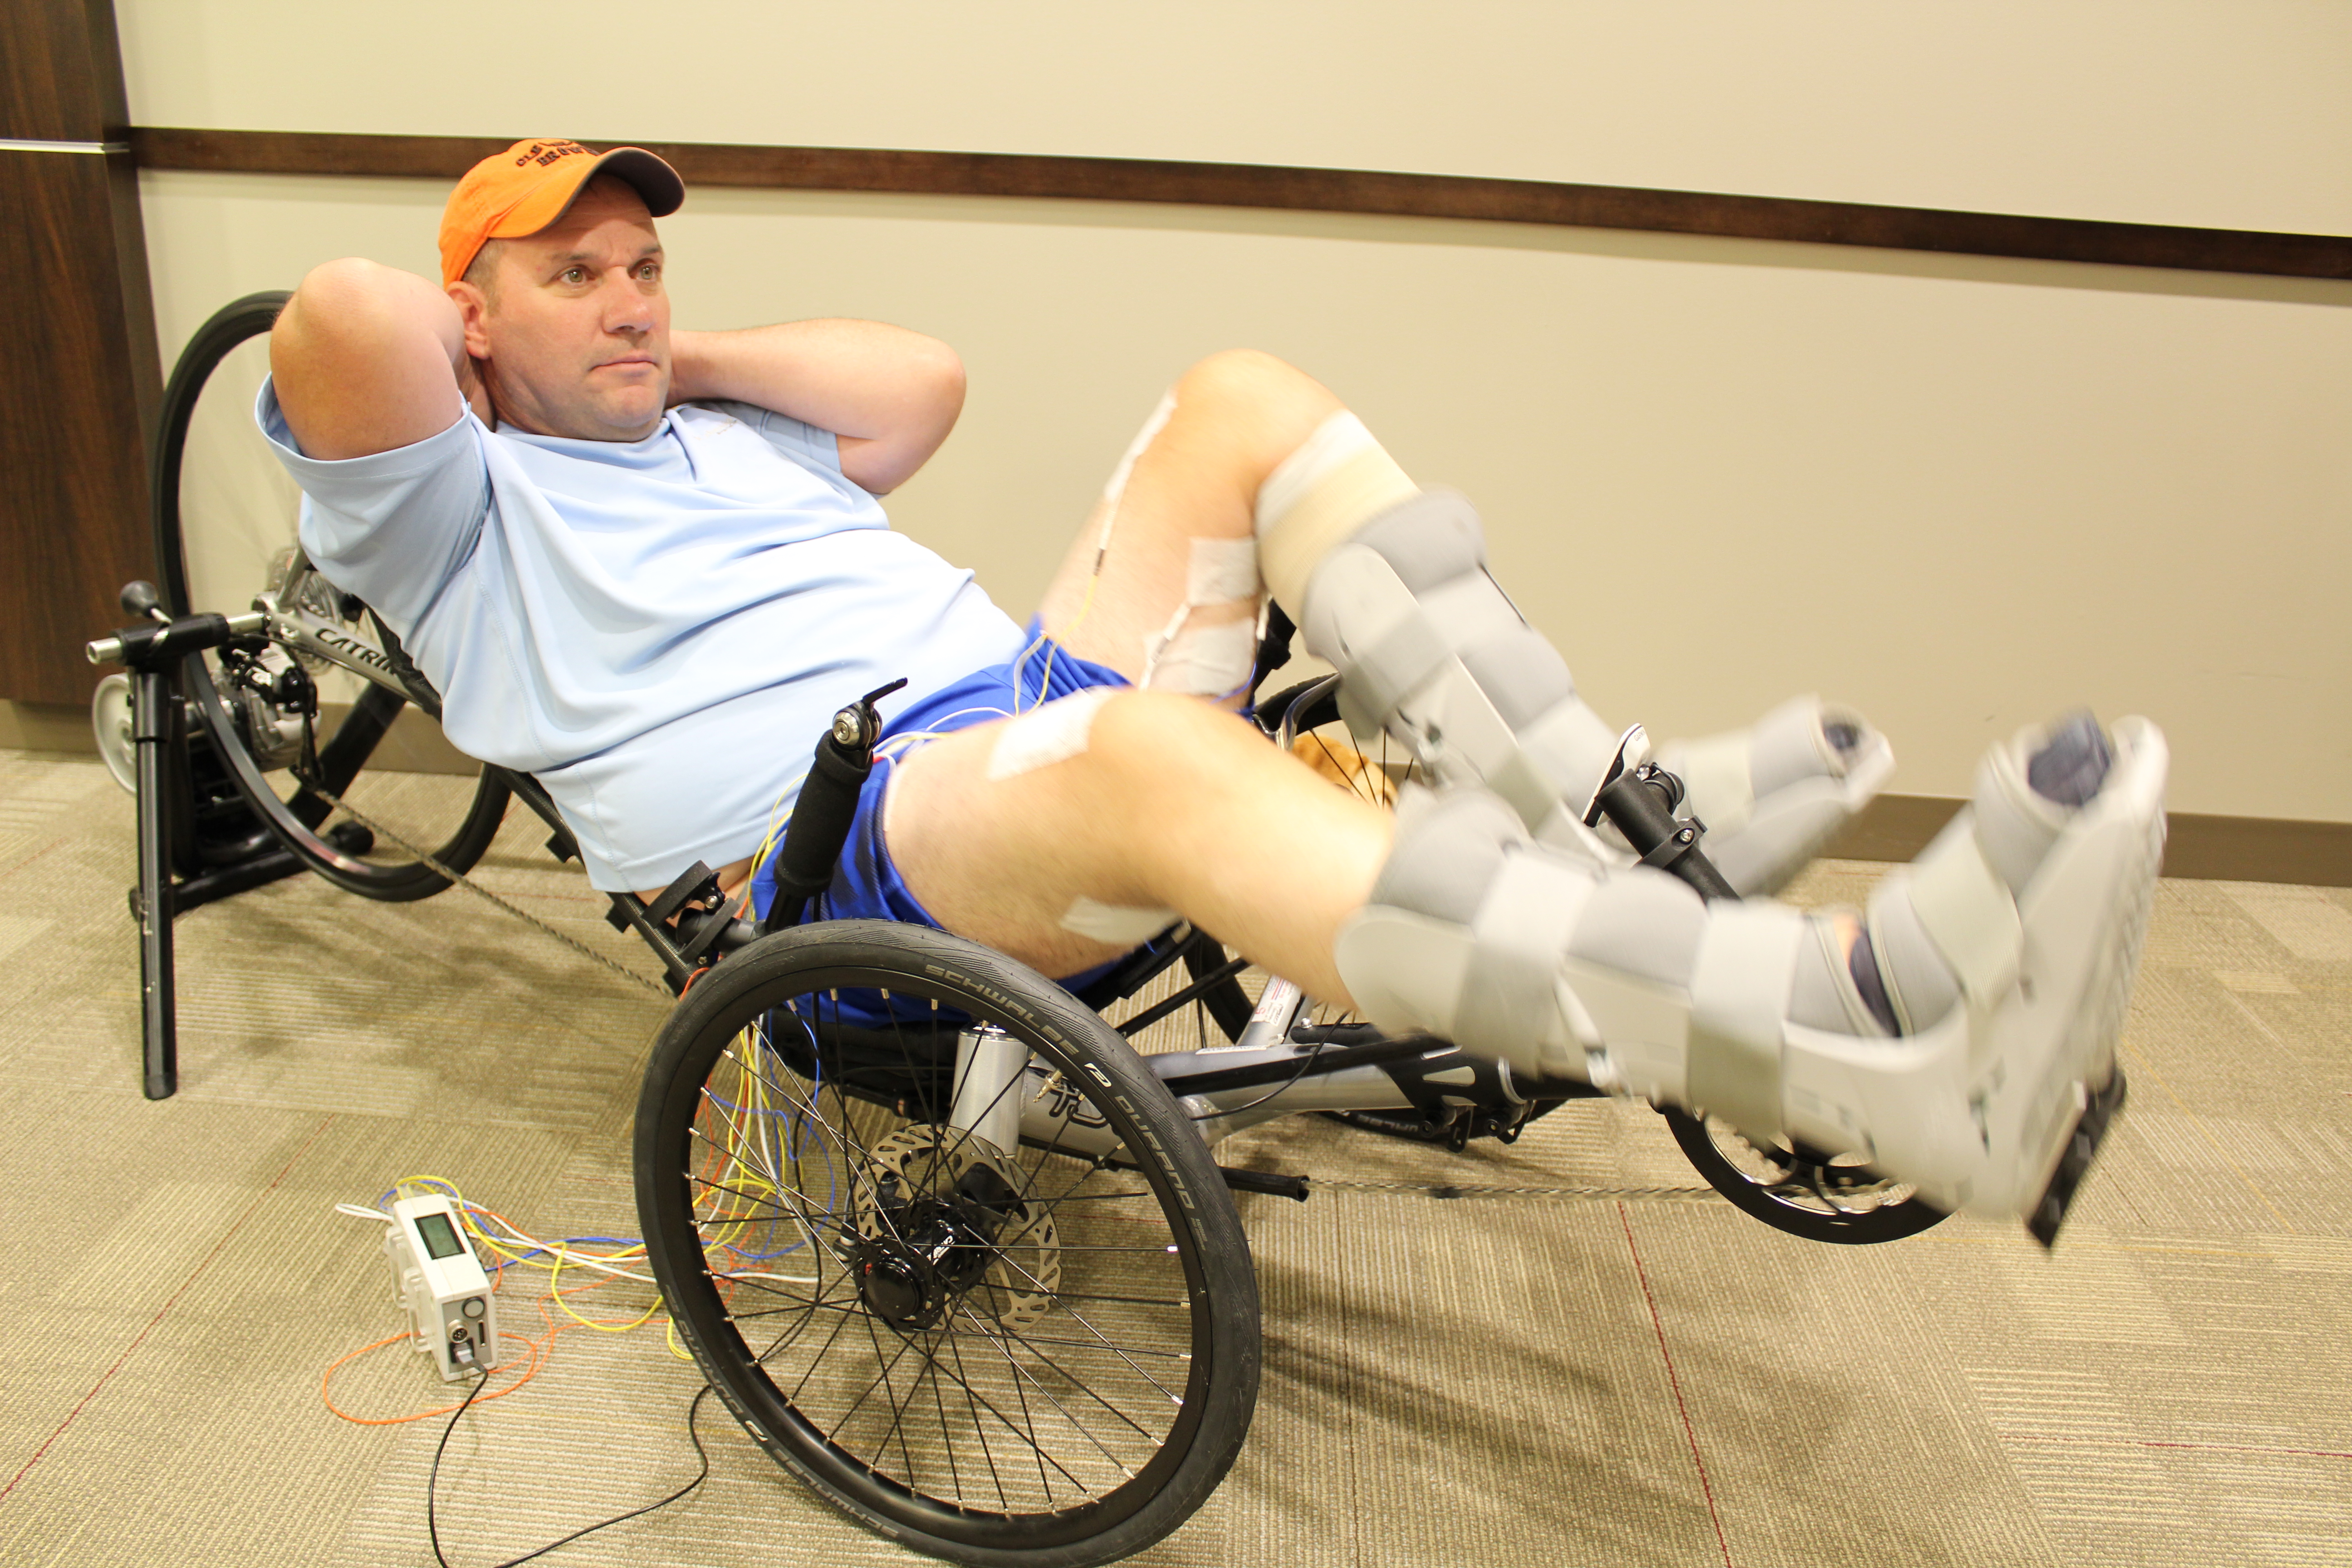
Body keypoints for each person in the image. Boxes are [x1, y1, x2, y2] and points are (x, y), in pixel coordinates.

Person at [260, 140, 2166, 1229]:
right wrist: (485, 345)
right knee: (1168, 762)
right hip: (824, 876)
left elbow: (923, 379)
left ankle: (1628, 829)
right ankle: (1836, 1038)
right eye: (575, 273)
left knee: (1241, 397)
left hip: (992, 720)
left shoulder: (727, 430)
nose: (635, 298)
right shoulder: (452, 513)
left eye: (646, 266)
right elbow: (338, 315)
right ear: (469, 322)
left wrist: (652, 354)